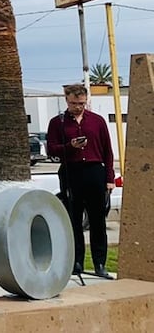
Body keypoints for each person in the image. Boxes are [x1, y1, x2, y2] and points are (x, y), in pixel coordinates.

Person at [47, 83, 115, 279]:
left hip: (94, 171)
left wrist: (109, 179)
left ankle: (100, 263)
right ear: (66, 100)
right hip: (71, 172)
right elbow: (51, 149)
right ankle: (76, 262)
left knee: (97, 221)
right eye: (74, 103)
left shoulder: (97, 121)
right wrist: (70, 146)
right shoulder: (58, 122)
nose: (78, 107)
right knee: (73, 220)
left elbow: (108, 151)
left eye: (82, 103)